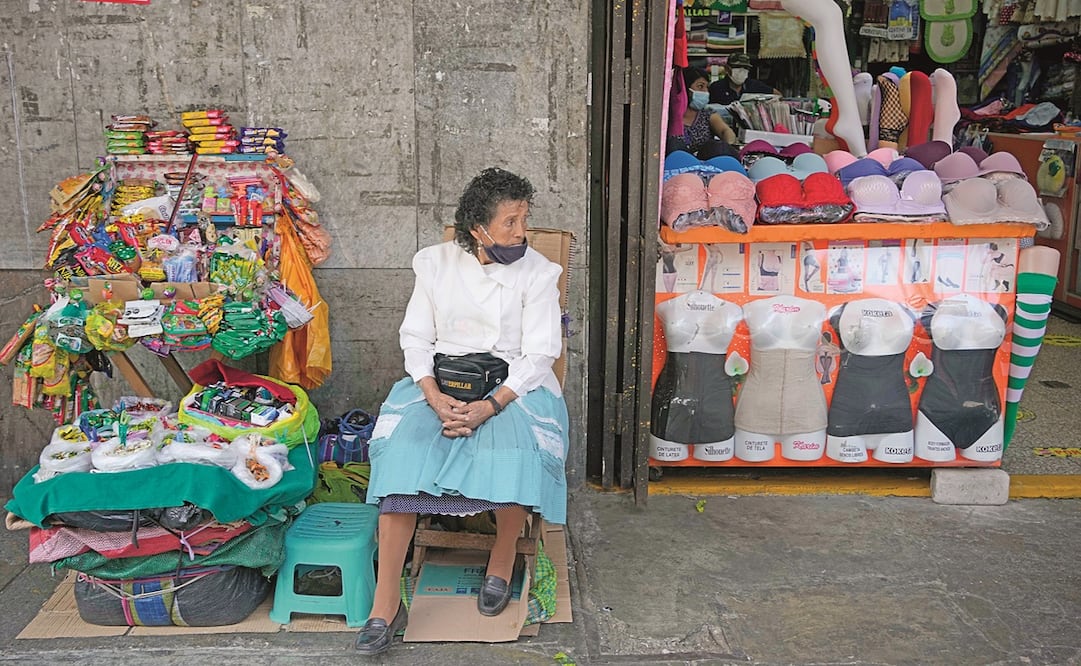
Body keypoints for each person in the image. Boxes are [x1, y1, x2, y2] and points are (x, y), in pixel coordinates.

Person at [355, 168, 569, 656]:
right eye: (511, 222)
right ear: (478, 228)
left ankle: (500, 558)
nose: (522, 232)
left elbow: (540, 355)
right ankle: (384, 603)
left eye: (524, 219)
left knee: (516, 451)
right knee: (402, 454)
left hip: (515, 384)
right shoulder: (434, 265)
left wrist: (488, 407)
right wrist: (432, 394)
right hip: (440, 381)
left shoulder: (538, 273)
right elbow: (415, 338)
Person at [677, 67, 737, 157]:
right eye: (700, 86)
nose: (705, 91)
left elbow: (724, 131)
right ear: (685, 89)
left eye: (706, 87)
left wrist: (728, 145)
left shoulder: (708, 114)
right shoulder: (670, 116)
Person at [708, 52, 780, 105]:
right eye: (737, 67)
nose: (742, 70)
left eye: (745, 68)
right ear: (727, 69)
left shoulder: (755, 85)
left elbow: (778, 95)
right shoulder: (716, 88)